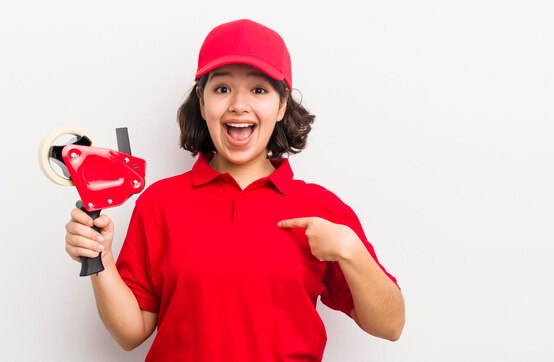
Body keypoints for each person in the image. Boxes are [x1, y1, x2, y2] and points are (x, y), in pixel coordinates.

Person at [64, 19, 405, 361]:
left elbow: (390, 326)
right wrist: (101, 257)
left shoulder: (321, 209)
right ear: (202, 100)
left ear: (282, 104)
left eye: (259, 90)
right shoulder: (160, 203)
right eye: (222, 88)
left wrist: (350, 250)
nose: (239, 105)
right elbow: (130, 333)